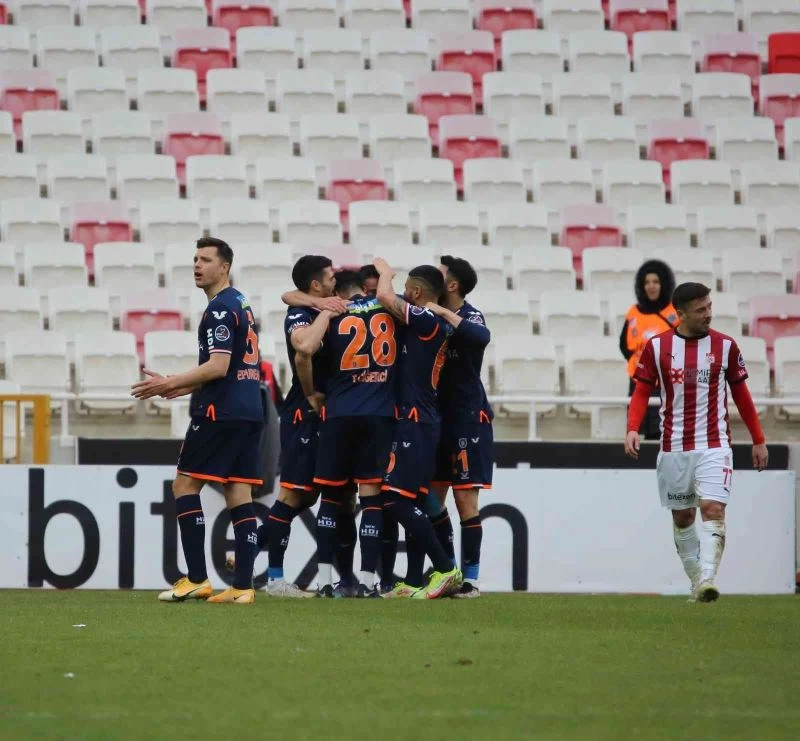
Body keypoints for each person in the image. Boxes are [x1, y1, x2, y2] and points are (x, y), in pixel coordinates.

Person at [132, 237, 265, 605]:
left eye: (205, 260)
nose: (197, 265)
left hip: (219, 413)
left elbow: (219, 366)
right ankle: (241, 586)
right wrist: (183, 388)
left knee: (184, 486)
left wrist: (168, 382)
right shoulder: (241, 302)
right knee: (239, 491)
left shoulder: (220, 309)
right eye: (194, 259)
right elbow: (233, 366)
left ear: (224, 267)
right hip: (248, 409)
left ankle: (196, 578)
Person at [624, 282, 769, 603]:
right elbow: (642, 390)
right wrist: (632, 427)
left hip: (714, 444)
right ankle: (697, 583)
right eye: (701, 310)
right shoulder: (658, 347)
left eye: (709, 307)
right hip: (673, 447)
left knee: (713, 508)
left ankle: (707, 578)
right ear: (681, 314)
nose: (708, 314)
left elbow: (741, 395)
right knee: (683, 517)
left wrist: (758, 439)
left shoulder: (726, 347)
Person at [372, 257, 463, 599]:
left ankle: (444, 568)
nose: (403, 292)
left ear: (417, 290)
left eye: (408, 287)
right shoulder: (428, 322)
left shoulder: (426, 319)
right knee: (412, 500)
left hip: (416, 422)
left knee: (395, 500)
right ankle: (412, 581)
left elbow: (384, 297)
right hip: (417, 420)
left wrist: (385, 274)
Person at [311, 269, 398, 597]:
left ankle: (323, 583)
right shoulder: (389, 310)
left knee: (331, 497)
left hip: (339, 412)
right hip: (378, 414)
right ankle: (365, 580)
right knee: (371, 496)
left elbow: (312, 356)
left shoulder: (333, 314)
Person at [264, 255, 345, 597]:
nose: (334, 278)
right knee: (292, 493)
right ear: (316, 284)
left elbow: (289, 292)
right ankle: (274, 578)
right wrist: (311, 393)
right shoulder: (302, 314)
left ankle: (247, 551)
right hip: (303, 412)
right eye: (329, 275)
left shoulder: (313, 302)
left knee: (307, 496)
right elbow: (304, 347)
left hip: (327, 414)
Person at [426, 255, 494, 599]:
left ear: (452, 285)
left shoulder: (470, 314)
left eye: (440, 275)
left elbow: (482, 337)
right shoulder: (430, 313)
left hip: (467, 419)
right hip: (435, 419)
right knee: (429, 499)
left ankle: (471, 580)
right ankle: (448, 570)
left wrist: (439, 312)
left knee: (466, 501)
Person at [620, 260, 678, 440]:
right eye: (647, 282)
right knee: (636, 430)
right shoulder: (633, 312)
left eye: (656, 282)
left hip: (663, 383)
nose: (651, 286)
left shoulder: (674, 313)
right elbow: (624, 344)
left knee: (660, 433)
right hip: (638, 382)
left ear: (663, 285)